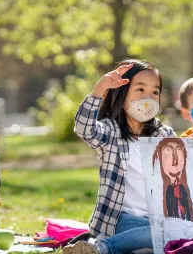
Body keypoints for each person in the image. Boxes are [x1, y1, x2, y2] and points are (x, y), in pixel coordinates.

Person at [64, 59, 176, 254]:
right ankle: (102, 249)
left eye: (155, 92)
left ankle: (106, 248)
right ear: (122, 94)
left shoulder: (164, 135)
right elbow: (84, 128)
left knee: (167, 232)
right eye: (140, 90)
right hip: (119, 219)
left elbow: (184, 172)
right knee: (162, 235)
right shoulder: (110, 132)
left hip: (157, 219)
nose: (148, 97)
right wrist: (100, 89)